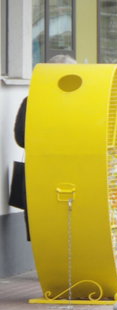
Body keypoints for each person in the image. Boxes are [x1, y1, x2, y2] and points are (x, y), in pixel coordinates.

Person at [12, 54, 77, 241]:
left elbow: (20, 137)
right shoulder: (83, 104)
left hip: (39, 172)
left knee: (41, 220)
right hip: (75, 171)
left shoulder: (31, 101)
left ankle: (46, 262)